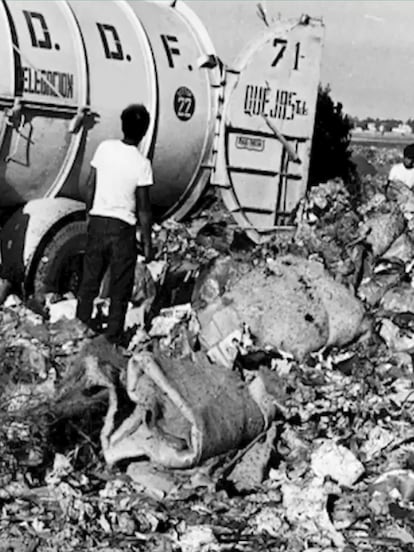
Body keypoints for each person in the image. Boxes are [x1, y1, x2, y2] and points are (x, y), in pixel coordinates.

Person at [76, 103, 153, 344]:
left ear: (122, 125)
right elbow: (143, 208)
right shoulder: (142, 164)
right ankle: (111, 339)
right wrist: (148, 243)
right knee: (120, 288)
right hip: (122, 230)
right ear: (145, 131)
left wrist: (90, 216)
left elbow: (90, 185)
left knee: (89, 281)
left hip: (99, 222)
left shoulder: (105, 149)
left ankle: (80, 328)